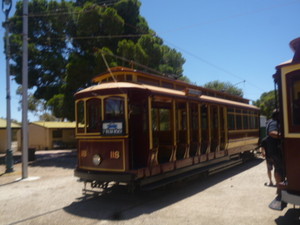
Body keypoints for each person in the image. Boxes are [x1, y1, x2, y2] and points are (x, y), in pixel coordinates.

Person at [265, 110, 285, 195]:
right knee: (279, 168)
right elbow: (272, 132)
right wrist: (283, 136)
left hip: (271, 150)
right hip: (275, 149)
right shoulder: (274, 122)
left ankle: (279, 188)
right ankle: (279, 189)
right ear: (278, 116)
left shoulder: (270, 121)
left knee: (278, 168)